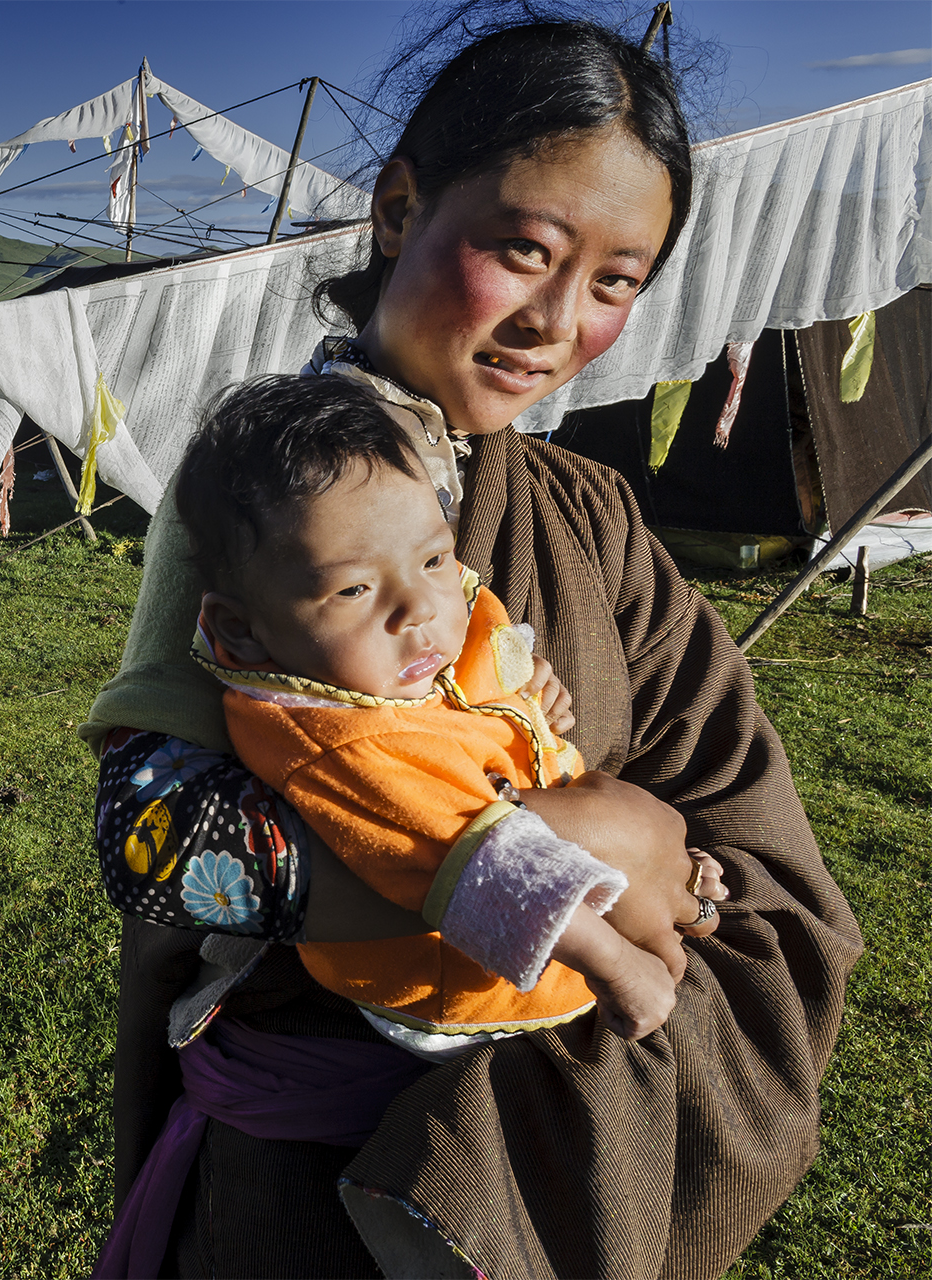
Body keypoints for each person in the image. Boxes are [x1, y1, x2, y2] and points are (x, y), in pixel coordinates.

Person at [84, 15, 862, 1280]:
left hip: (542, 1158)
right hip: (299, 1197)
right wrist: (585, 859)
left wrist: (672, 861)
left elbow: (736, 812)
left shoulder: (590, 512)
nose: (557, 320)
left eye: (615, 281)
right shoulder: (266, 509)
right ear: (399, 209)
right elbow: (155, 845)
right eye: (523, 249)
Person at [175, 373, 728, 1058]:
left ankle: (655, 881)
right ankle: (646, 902)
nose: (420, 609)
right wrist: (619, 967)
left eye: (435, 558)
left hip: (546, 852)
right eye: (354, 588)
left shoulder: (386, 648)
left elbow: (482, 651)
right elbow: (485, 869)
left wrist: (523, 691)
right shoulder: (339, 742)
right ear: (243, 630)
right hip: (468, 984)